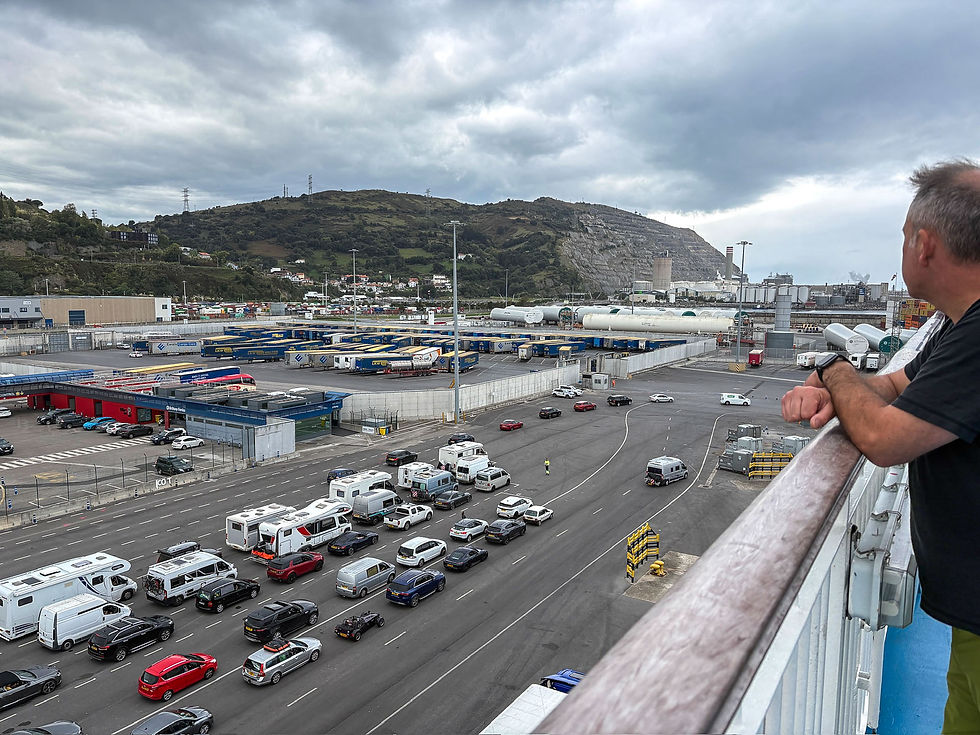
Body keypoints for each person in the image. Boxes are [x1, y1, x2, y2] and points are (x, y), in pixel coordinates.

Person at [780, 159, 980, 734]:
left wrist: (830, 368)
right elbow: (895, 386)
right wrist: (838, 390)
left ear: (923, 245)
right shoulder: (957, 323)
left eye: (901, 237)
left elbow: (885, 440)